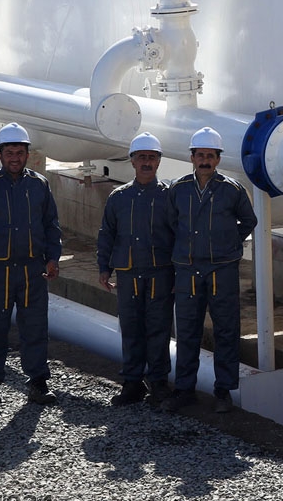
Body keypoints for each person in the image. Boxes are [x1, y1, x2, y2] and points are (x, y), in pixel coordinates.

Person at [0, 122, 62, 411]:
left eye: (20, 152)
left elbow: (51, 225)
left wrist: (53, 257)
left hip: (32, 271)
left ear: (27, 154)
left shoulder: (39, 185)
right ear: (0, 154)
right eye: (9, 153)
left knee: (35, 328)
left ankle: (38, 384)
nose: (15, 158)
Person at [163, 126, 257, 414]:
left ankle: (223, 391)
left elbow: (248, 221)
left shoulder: (231, 191)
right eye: (200, 155)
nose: (205, 160)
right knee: (187, 330)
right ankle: (184, 389)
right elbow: (170, 225)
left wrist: (227, 245)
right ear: (191, 157)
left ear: (218, 160)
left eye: (210, 155)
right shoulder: (178, 190)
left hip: (222, 270)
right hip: (188, 271)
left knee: (226, 330)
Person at [96, 132, 175, 407]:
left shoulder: (169, 196)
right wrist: (104, 268)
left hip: (159, 273)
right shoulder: (119, 197)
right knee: (130, 328)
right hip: (128, 274)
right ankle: (132, 383)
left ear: (159, 162)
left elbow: (179, 235)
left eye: (152, 158)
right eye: (142, 157)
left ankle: (159, 383)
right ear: (132, 161)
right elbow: (107, 233)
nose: (146, 162)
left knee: (158, 328)